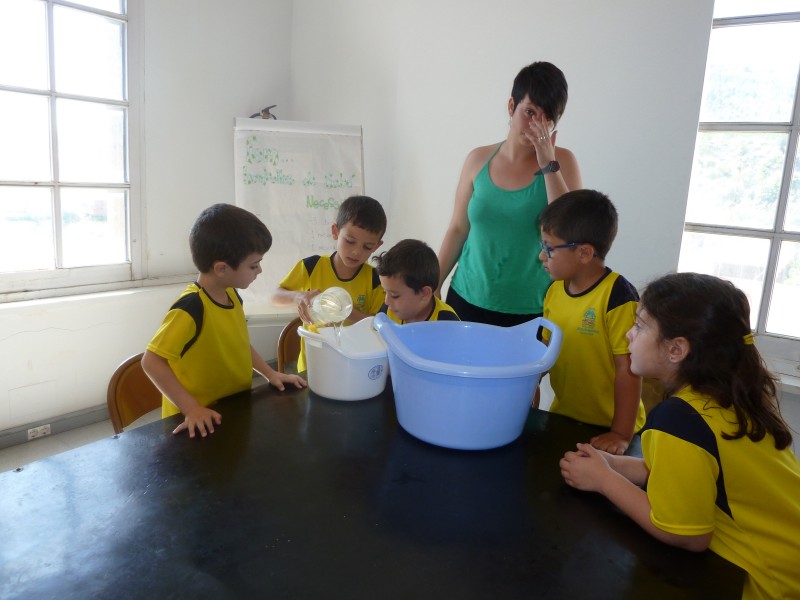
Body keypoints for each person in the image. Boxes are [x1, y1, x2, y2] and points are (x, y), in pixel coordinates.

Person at [559, 272, 800, 599]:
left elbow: (687, 535)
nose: (629, 333)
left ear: (676, 349)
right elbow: (699, 475)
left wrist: (604, 480)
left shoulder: (679, 419)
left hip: (770, 583)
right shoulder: (728, 395)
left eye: (640, 326)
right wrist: (614, 464)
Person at [437, 61, 583, 327]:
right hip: (466, 297)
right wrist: (433, 284)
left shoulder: (563, 163)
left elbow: (570, 234)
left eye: (547, 118)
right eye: (529, 112)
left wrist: (548, 164)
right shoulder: (478, 159)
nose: (535, 125)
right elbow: (458, 228)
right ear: (511, 106)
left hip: (532, 307)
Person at [142, 203, 307, 439]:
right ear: (221, 268)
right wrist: (191, 409)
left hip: (231, 408)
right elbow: (151, 362)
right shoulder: (191, 308)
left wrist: (271, 374)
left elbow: (238, 343)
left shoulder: (231, 294)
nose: (259, 271)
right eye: (253, 265)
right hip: (196, 422)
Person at [539, 190, 645, 454]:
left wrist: (620, 433)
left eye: (549, 248)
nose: (541, 256)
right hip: (564, 417)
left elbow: (628, 369)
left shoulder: (617, 296)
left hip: (611, 427)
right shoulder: (554, 291)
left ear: (584, 253)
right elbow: (543, 353)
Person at [272, 195, 386, 371]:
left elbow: (379, 326)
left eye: (367, 247)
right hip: (313, 366)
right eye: (350, 241)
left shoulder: (375, 279)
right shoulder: (311, 267)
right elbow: (275, 297)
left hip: (354, 367)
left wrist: (346, 311)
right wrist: (298, 297)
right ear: (335, 232)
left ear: (377, 246)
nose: (356, 252)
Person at [373, 239, 459, 324]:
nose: (387, 301)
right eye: (385, 292)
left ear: (424, 293)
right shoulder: (388, 311)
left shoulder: (447, 322)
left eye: (394, 295)